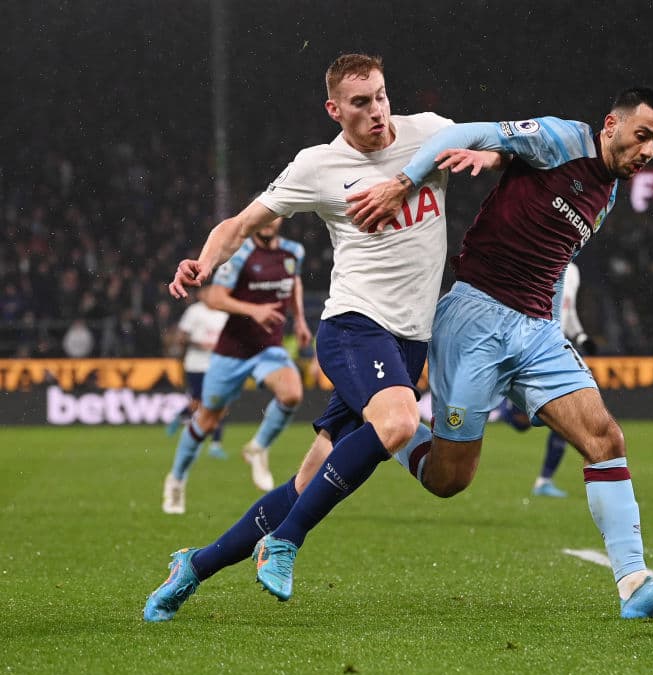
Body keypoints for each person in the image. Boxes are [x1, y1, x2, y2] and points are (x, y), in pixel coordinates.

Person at [251, 88, 653, 619]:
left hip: (537, 332)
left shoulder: (605, 195)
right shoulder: (563, 138)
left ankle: (635, 586)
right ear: (611, 124)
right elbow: (462, 133)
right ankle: (385, 425)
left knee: (605, 437)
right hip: (476, 320)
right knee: (450, 479)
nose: (649, 150)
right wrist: (406, 182)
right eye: (643, 135)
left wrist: (557, 325)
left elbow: (558, 259)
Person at [143, 53, 504, 619]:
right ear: (335, 110)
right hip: (354, 327)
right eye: (360, 102)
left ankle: (194, 565)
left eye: (381, 95)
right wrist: (204, 261)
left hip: (408, 342)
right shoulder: (317, 166)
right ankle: (285, 542)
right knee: (401, 421)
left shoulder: (430, 132)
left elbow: (503, 141)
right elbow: (239, 224)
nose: (377, 110)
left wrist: (488, 153)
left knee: (307, 482)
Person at [159, 215, 311, 514]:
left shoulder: (294, 251)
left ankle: (257, 448)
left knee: (292, 393)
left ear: (282, 219)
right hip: (233, 351)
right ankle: (176, 479)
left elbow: (294, 283)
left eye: (275, 217)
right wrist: (253, 310)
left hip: (269, 347)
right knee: (207, 420)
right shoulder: (240, 253)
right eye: (265, 217)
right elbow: (213, 296)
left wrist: (301, 320)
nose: (268, 223)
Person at [497, 261, 592, 498]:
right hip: (530, 344)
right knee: (521, 423)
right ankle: (499, 405)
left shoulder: (574, 271)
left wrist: (581, 336)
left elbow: (568, 313)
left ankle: (544, 481)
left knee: (571, 414)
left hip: (557, 348)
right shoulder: (541, 256)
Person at [165, 285, 230, 461]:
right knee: (199, 403)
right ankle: (181, 417)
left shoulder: (224, 315)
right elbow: (181, 337)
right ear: (203, 295)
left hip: (217, 365)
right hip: (196, 365)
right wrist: (201, 344)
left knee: (221, 404)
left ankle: (216, 445)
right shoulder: (194, 312)